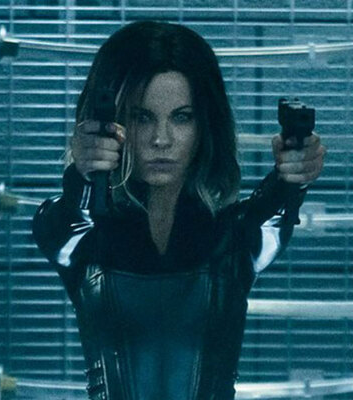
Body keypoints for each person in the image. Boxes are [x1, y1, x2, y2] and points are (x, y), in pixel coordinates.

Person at [33, 21, 325, 400]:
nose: (162, 139)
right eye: (142, 117)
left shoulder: (232, 240)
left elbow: (269, 216)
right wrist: (87, 175)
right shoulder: (82, 236)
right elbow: (65, 224)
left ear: (205, 126)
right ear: (113, 124)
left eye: (181, 117)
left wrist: (292, 178)